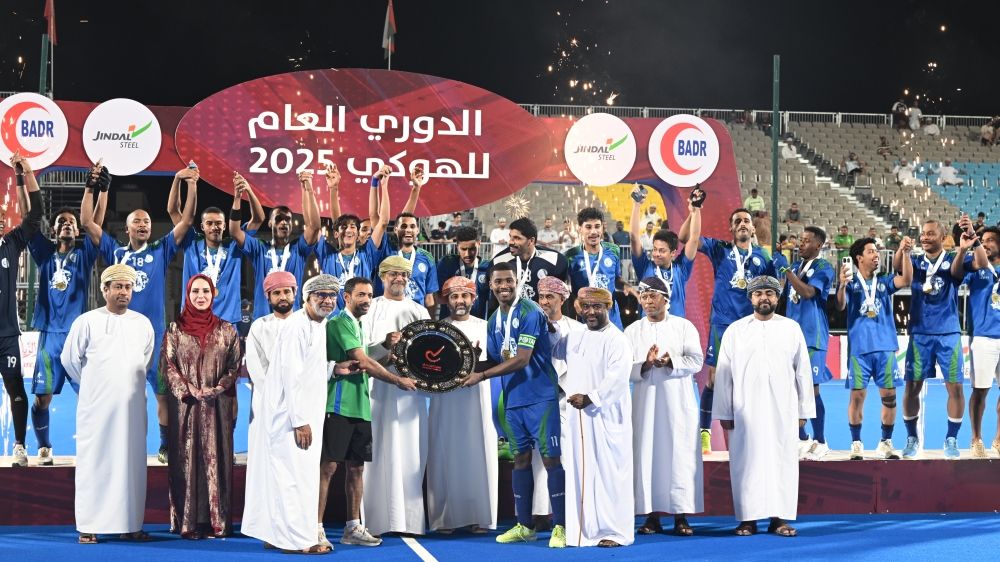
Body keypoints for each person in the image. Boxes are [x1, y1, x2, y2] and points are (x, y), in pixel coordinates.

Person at [241, 274, 356, 554]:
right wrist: (299, 420)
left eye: (332, 295)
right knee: (293, 477)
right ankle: (296, 542)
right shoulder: (296, 326)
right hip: (291, 415)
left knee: (289, 475)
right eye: (321, 296)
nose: (328, 300)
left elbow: (309, 367)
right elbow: (289, 375)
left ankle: (276, 534)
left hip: (304, 412)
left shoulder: (320, 323)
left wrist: (335, 369)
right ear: (307, 298)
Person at [461, 262, 566, 547]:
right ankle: (525, 525)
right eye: (498, 282)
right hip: (513, 399)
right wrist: (466, 364)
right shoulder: (494, 318)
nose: (504, 286)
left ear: (517, 281)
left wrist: (480, 375)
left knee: (550, 459)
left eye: (509, 280)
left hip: (541, 396)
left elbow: (521, 358)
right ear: (491, 285)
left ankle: (561, 527)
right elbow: (498, 359)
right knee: (520, 459)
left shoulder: (531, 311)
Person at [712, 276, 815, 538]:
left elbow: (803, 371)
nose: (764, 298)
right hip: (744, 410)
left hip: (784, 408)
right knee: (746, 462)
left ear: (778, 298)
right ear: (750, 298)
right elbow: (724, 374)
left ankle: (779, 519)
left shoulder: (791, 328)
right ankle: (747, 519)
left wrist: (804, 411)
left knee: (782, 461)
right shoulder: (736, 330)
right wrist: (724, 411)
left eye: (770, 293)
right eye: (758, 294)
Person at [319, 276, 416, 547]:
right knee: (328, 467)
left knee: (356, 469)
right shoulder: (339, 322)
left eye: (369, 296)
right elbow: (361, 361)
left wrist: (386, 355)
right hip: (337, 405)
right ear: (346, 297)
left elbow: (362, 365)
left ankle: (352, 528)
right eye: (360, 295)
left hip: (361, 407)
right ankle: (314, 528)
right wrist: (397, 379)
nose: (366, 300)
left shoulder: (359, 325)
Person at [62, 264, 155, 544]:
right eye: (118, 287)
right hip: (97, 408)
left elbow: (145, 360)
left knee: (132, 463)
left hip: (132, 407)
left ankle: (130, 524)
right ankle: (89, 525)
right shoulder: (87, 321)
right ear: (105, 290)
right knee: (95, 462)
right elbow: (69, 360)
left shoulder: (142, 323)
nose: (123, 292)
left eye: (127, 287)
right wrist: (92, 386)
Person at [677, 206, 779, 454]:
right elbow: (683, 238)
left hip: (751, 325)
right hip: (722, 323)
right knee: (713, 379)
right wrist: (694, 210)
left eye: (746, 221)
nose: (743, 224)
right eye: (738, 222)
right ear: (731, 228)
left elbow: (774, 292)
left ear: (753, 228)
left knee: (753, 377)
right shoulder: (719, 249)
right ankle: (704, 434)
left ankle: (754, 431)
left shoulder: (764, 258)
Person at [27, 161, 107, 465]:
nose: (67, 225)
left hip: (78, 337)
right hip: (49, 337)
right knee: (42, 398)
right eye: (61, 222)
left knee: (89, 397)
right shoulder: (44, 251)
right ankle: (44, 446)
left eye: (71, 223)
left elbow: (95, 221)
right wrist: (27, 176)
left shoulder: (85, 253)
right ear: (54, 229)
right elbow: (30, 216)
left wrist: (100, 187)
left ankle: (94, 448)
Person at [893, 217, 986, 459]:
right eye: (923, 233)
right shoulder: (914, 260)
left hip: (948, 332)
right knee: (912, 387)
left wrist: (970, 241)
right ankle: (912, 437)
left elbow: (981, 263)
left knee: (955, 387)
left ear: (943, 236)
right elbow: (898, 268)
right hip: (919, 332)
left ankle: (951, 438)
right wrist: (902, 250)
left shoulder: (955, 259)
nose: (924, 237)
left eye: (930, 233)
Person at [549, 287, 634, 548]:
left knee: (609, 475)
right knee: (579, 471)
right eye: (585, 307)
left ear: (608, 308)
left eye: (597, 307)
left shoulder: (616, 339)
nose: (591, 312)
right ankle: (582, 530)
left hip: (606, 418)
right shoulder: (575, 337)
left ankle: (615, 532)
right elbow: (554, 350)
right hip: (578, 420)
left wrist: (591, 398)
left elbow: (618, 378)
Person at [161, 274, 242, 539]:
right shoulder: (175, 330)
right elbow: (168, 366)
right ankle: (189, 522)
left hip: (218, 407)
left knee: (217, 459)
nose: (200, 296)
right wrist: (189, 390)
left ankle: (217, 522)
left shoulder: (227, 330)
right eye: (195, 291)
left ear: (213, 294)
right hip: (186, 408)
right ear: (188, 294)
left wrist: (217, 388)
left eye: (205, 291)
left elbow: (234, 365)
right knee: (186, 461)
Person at [626, 277, 704, 536]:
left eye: (653, 296)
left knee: (678, 457)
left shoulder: (683, 327)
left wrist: (671, 363)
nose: (647, 301)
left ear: (666, 300)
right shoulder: (632, 331)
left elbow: (697, 361)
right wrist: (646, 365)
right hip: (645, 405)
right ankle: (651, 516)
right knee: (646, 455)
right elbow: (623, 369)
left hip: (678, 404)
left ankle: (681, 516)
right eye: (644, 297)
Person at [360, 256, 429, 536]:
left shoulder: (419, 310)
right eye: (393, 274)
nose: (399, 278)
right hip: (377, 391)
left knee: (411, 453)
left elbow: (428, 352)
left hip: (410, 395)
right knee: (376, 453)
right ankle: (375, 522)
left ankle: (409, 522)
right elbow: (361, 350)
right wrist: (386, 350)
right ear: (382, 276)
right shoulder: (369, 307)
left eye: (403, 274)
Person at [426, 277, 497, 534]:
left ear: (473, 299)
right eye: (454, 297)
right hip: (445, 401)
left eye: (464, 296)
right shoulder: (436, 330)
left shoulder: (486, 328)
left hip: (476, 400)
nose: (459, 301)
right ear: (446, 300)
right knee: (445, 453)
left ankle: (478, 516)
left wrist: (475, 363)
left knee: (476, 454)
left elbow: (496, 364)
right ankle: (446, 518)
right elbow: (429, 368)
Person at [839, 236, 913, 460]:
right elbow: (840, 305)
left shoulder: (884, 282)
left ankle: (885, 442)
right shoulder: (850, 282)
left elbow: (907, 280)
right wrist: (841, 284)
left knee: (889, 397)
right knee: (857, 397)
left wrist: (906, 252)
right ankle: (856, 443)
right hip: (860, 350)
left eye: (877, 251)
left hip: (885, 348)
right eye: (871, 251)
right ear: (859, 258)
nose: (876, 255)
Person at [243, 272, 296, 545]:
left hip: (300, 410)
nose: (283, 297)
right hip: (266, 409)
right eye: (277, 293)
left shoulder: (308, 325)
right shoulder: (259, 327)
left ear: (295, 293)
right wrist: (279, 402)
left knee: (295, 470)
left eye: (287, 292)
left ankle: (297, 527)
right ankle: (268, 529)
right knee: (267, 468)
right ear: (268, 297)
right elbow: (257, 370)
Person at [177, 171, 264, 332]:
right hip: (194, 318)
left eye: (218, 223)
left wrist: (248, 191)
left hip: (227, 320)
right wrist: (187, 183)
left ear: (225, 226)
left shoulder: (234, 244)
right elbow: (177, 214)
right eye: (209, 223)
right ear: (202, 227)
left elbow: (258, 219)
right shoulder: (191, 243)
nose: (214, 227)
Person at [528, 276, 583, 529]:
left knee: (569, 455)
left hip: (570, 400)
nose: (545, 301)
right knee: (541, 458)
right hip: (539, 399)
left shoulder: (578, 328)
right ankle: (540, 513)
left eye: (550, 296)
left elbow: (584, 366)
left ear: (563, 299)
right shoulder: (530, 324)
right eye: (541, 297)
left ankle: (570, 511)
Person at [229, 169, 321, 321]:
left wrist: (309, 190)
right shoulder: (259, 247)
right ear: (271, 223)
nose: (284, 222)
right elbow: (234, 231)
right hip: (263, 320)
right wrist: (238, 197)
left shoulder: (298, 249)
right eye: (279, 219)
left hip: (293, 321)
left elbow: (315, 226)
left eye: (288, 219)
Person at [2, 151, 45, 466]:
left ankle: (20, 445)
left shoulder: (11, 242)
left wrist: (25, 174)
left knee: (15, 385)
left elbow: (35, 216)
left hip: (6, 335)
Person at [783, 227, 835, 460]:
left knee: (811, 389)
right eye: (800, 240)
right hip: (791, 337)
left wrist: (785, 271)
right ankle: (802, 438)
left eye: (806, 241)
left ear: (819, 245)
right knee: (792, 390)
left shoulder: (824, 267)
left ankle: (821, 440)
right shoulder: (794, 268)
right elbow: (785, 302)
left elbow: (807, 293)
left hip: (812, 336)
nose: (800, 244)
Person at [316, 163, 391, 311]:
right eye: (344, 227)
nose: (348, 230)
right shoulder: (327, 255)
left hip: (362, 319)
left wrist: (381, 184)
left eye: (352, 227)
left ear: (358, 234)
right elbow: (327, 223)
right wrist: (333, 188)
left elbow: (382, 222)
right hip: (333, 319)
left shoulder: (367, 254)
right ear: (336, 233)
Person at [369, 167, 437, 315]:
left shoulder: (427, 257)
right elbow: (376, 218)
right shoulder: (386, 250)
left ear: (417, 231)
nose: (408, 230)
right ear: (396, 230)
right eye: (404, 227)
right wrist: (376, 182)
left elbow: (429, 298)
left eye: (413, 227)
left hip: (415, 318)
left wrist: (416, 188)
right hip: (385, 314)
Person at [630, 186, 698, 318]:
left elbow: (694, 239)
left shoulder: (681, 268)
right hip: (649, 330)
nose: (656, 254)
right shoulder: (645, 267)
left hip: (675, 331)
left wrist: (695, 211)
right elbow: (634, 238)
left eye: (662, 251)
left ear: (673, 252)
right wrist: (637, 205)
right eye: (655, 249)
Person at [565, 208, 637, 329]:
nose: (594, 231)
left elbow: (616, 278)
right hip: (586, 319)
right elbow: (564, 287)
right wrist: (574, 300)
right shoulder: (570, 256)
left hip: (612, 319)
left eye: (597, 226)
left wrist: (625, 286)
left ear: (602, 227)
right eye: (588, 227)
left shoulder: (613, 250)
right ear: (580, 229)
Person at [965, 227, 1000, 458]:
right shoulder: (976, 267)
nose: (984, 243)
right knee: (980, 392)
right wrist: (967, 247)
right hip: (984, 337)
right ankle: (976, 438)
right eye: (982, 240)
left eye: (990, 240)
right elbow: (957, 272)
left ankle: (998, 439)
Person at [489, 217, 569, 305]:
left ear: (531, 240)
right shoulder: (498, 261)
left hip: (543, 317)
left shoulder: (555, 260)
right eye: (510, 236)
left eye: (517, 238)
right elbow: (493, 300)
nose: (510, 242)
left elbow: (563, 298)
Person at [436, 225, 490, 319]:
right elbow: (438, 297)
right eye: (463, 249)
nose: (467, 254)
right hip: (450, 324)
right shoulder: (447, 263)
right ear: (457, 245)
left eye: (472, 249)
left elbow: (492, 301)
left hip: (476, 323)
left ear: (479, 244)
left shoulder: (488, 267)